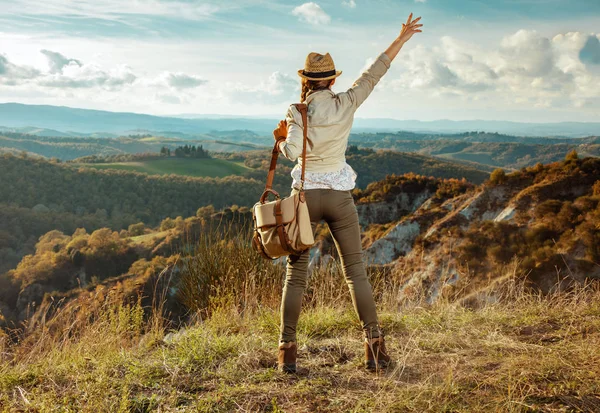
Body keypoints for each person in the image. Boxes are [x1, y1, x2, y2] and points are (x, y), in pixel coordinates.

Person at [272, 13, 422, 373]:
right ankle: (374, 348)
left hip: (304, 198)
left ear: (306, 81)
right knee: (355, 271)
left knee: (296, 272)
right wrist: (400, 39)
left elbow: (292, 153)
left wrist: (280, 140)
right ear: (333, 79)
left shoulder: (298, 110)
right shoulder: (348, 101)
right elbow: (374, 72)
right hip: (339, 196)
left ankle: (287, 352)